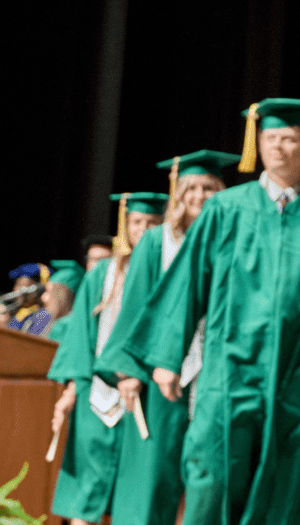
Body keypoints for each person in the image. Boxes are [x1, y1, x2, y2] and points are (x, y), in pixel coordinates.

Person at [118, 98, 300, 525]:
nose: (278, 148)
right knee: (213, 473)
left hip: (297, 373)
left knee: (284, 479)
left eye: (289, 139)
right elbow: (188, 283)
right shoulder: (227, 209)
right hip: (229, 367)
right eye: (269, 138)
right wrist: (167, 359)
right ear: (257, 146)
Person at [95, 150, 238, 525]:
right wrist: (127, 371)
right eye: (191, 187)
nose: (200, 195)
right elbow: (135, 309)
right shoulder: (157, 241)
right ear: (178, 192)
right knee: (155, 473)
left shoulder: (233, 238)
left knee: (207, 474)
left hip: (214, 368)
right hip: (161, 372)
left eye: (209, 187)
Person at [48, 191, 169, 525]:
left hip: (146, 397)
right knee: (88, 484)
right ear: (124, 226)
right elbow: (81, 338)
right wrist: (72, 390)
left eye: (151, 223)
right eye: (136, 222)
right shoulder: (102, 275)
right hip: (96, 397)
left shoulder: (168, 273)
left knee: (135, 491)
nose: (143, 229)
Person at [42, 260, 85, 341]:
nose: (43, 297)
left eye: (49, 292)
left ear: (64, 296)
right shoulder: (56, 323)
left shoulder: (65, 326)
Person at [3, 262, 51, 333]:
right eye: (17, 284)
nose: (18, 290)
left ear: (39, 289)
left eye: (24, 286)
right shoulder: (18, 315)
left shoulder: (42, 317)